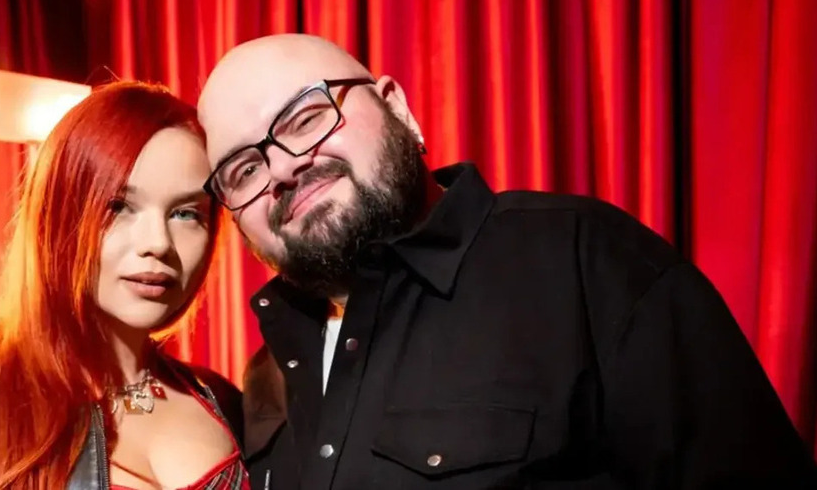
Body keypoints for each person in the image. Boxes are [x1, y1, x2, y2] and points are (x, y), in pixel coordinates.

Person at [195, 34, 817, 489]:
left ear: (397, 107)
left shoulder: (586, 262)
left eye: (305, 118)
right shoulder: (265, 378)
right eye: (244, 170)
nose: (283, 168)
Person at [0, 82, 250, 490]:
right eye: (119, 206)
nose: (158, 243)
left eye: (186, 214)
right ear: (59, 214)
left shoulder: (225, 402)